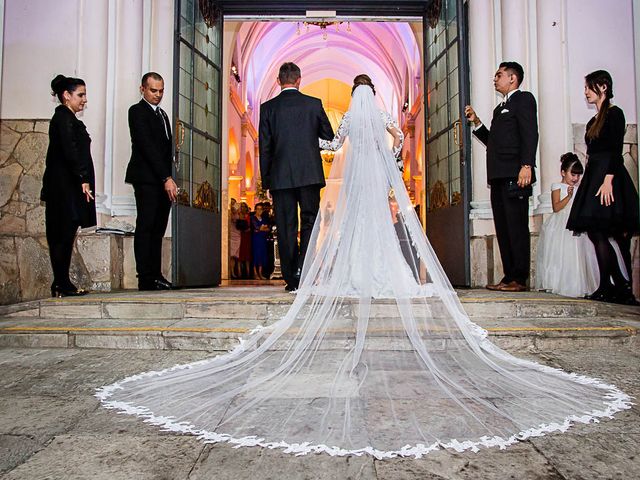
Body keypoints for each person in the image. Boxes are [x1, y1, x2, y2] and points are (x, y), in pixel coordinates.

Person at [99, 76, 630, 460]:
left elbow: (334, 142)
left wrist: (323, 141)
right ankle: (386, 276)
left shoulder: (352, 116)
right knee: (379, 239)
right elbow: (396, 147)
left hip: (346, 188)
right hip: (378, 191)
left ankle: (325, 277)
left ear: (352, 94)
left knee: (341, 232)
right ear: (375, 93)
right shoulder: (378, 116)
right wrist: (393, 144)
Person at [259, 62, 334, 291]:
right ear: (299, 80)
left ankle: (291, 279)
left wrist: (267, 182)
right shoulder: (313, 104)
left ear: (278, 80)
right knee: (310, 221)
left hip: (281, 178)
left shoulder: (268, 108)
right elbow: (328, 134)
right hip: (309, 174)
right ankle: (304, 268)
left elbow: (265, 147)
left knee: (285, 226)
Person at [465, 61, 539, 292]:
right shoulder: (500, 109)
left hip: (516, 174)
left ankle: (519, 278)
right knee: (504, 227)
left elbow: (530, 133)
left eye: (499, 75)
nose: (494, 79)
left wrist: (526, 165)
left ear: (512, 78)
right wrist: (477, 123)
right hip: (498, 176)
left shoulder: (524, 99)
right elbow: (494, 143)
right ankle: (508, 277)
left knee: (516, 226)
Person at [567, 70, 639, 305]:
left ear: (603, 87)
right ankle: (611, 284)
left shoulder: (615, 114)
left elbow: (615, 149)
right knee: (596, 231)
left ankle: (621, 287)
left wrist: (608, 179)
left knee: (613, 233)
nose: (586, 92)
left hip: (609, 177)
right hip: (594, 176)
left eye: (589, 87)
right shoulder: (592, 121)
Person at [42, 74, 96, 297]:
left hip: (68, 188)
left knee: (65, 235)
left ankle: (61, 283)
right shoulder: (62, 117)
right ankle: (61, 283)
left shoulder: (69, 118)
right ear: (66, 95)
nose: (84, 100)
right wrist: (83, 178)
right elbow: (69, 150)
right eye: (80, 95)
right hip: (63, 189)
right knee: (61, 236)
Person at [125, 72, 177, 291]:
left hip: (163, 179)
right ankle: (145, 277)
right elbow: (147, 146)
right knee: (146, 227)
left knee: (158, 228)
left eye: (161, 91)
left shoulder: (163, 115)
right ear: (142, 90)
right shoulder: (136, 112)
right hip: (146, 178)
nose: (158, 95)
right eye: (153, 90)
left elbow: (166, 149)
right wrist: (165, 177)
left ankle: (156, 275)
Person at [536, 153, 599, 297]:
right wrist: (569, 196)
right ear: (563, 172)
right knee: (559, 255)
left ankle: (577, 285)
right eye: (573, 174)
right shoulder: (557, 187)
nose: (575, 178)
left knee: (577, 256)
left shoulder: (580, 188)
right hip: (560, 224)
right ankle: (556, 283)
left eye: (578, 175)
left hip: (575, 223)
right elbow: (556, 207)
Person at [250, 203, 270, 279]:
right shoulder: (253, 218)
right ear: (255, 210)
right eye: (258, 209)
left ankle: (260, 273)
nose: (259, 211)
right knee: (256, 255)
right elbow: (257, 228)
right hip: (256, 239)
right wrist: (261, 228)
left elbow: (268, 228)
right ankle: (255, 273)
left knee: (262, 255)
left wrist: (262, 228)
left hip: (263, 238)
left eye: (261, 209)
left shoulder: (264, 218)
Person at [237, 202, 252, 278]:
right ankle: (239, 272)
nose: (243, 208)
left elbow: (251, 225)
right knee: (241, 254)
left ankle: (248, 273)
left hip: (248, 236)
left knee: (247, 254)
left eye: (244, 206)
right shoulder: (239, 215)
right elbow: (238, 225)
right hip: (241, 235)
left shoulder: (249, 216)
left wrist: (249, 229)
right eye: (241, 206)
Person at [228, 199, 241, 279]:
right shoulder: (229, 212)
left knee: (235, 256)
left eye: (234, 203)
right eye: (231, 203)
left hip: (237, 234)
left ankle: (233, 271)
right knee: (231, 255)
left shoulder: (238, 213)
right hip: (231, 233)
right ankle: (230, 272)